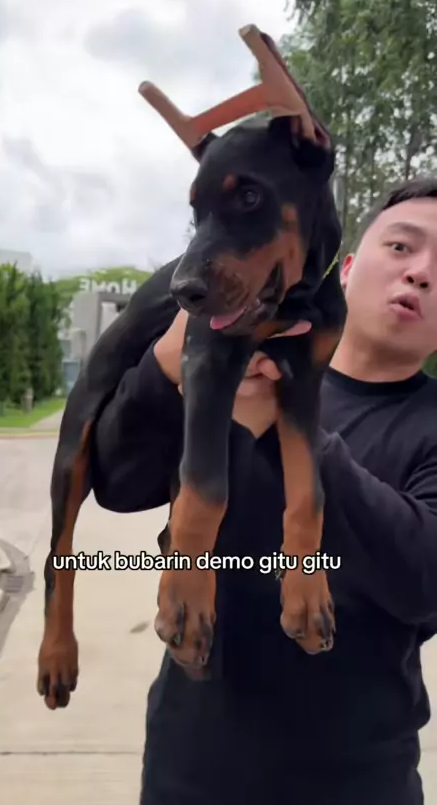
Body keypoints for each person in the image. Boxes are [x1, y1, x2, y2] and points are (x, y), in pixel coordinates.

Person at [89, 175, 437, 804]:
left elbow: (424, 580)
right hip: (191, 769)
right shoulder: (230, 370)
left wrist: (286, 426)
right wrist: (162, 367)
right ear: (346, 270)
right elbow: (117, 482)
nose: (420, 273)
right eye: (401, 247)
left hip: (360, 778)